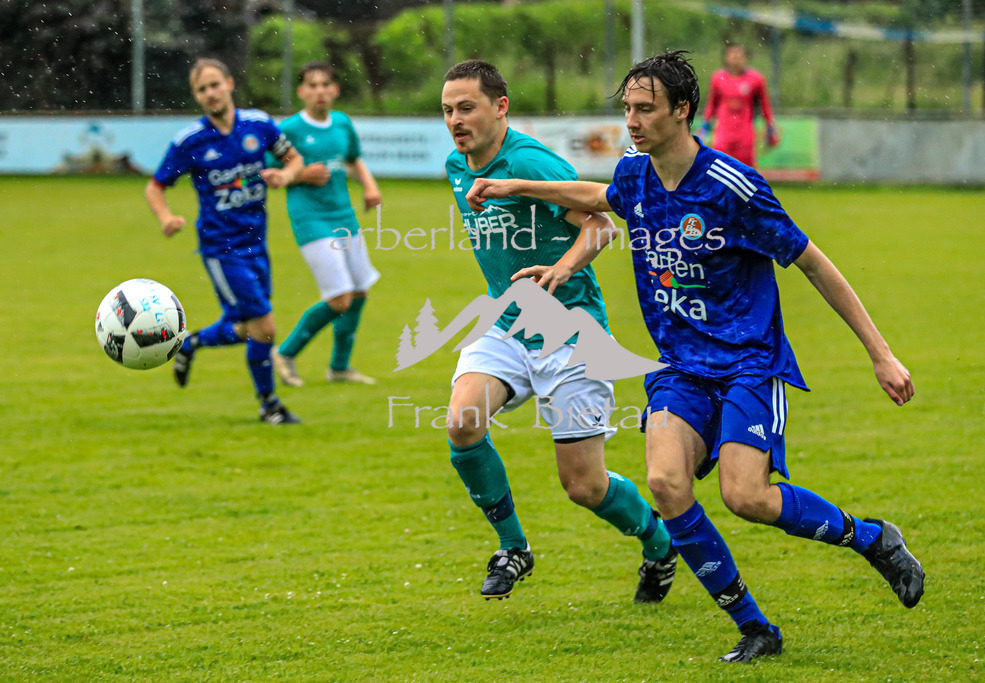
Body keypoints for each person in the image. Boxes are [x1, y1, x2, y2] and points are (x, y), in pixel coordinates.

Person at [465, 51, 924, 662]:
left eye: (644, 109)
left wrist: (881, 355)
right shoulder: (636, 175)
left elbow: (814, 264)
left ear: (682, 112)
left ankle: (873, 539)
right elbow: (599, 197)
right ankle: (754, 627)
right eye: (626, 108)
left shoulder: (733, 188)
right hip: (680, 366)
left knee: (747, 497)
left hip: (747, 363)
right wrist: (525, 192)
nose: (631, 120)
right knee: (664, 482)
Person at [440, 59, 677, 601]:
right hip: (506, 325)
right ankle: (513, 548)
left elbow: (601, 225)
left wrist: (562, 268)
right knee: (462, 421)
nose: (456, 119)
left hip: (571, 334)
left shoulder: (527, 161)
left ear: (500, 107)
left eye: (467, 107)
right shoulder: (457, 167)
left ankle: (658, 542)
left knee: (584, 487)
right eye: (448, 110)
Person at [144, 58, 303, 424]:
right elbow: (155, 187)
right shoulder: (191, 142)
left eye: (215, 84)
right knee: (264, 326)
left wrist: (285, 174)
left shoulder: (259, 125)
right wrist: (167, 217)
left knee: (247, 327)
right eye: (202, 89)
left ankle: (192, 342)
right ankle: (270, 405)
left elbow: (294, 159)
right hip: (221, 248)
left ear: (230, 84)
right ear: (196, 97)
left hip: (257, 243)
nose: (211, 93)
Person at [268, 61, 381, 388]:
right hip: (310, 219)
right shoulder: (289, 130)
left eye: (325, 85)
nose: (319, 91)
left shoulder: (342, 124)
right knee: (340, 298)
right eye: (312, 85)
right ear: (301, 91)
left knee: (360, 291)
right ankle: (285, 353)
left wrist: (370, 187)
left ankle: (339, 367)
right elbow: (269, 172)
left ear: (335, 90)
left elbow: (353, 158)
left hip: (344, 215)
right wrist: (301, 174)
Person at [700, 44, 778, 167]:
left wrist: (770, 128)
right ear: (727, 58)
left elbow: (765, 106)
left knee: (746, 173)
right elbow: (711, 105)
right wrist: (704, 127)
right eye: (732, 54)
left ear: (745, 58)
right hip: (723, 134)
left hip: (745, 134)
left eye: (739, 55)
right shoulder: (718, 78)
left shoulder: (756, 79)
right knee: (720, 170)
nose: (735, 58)